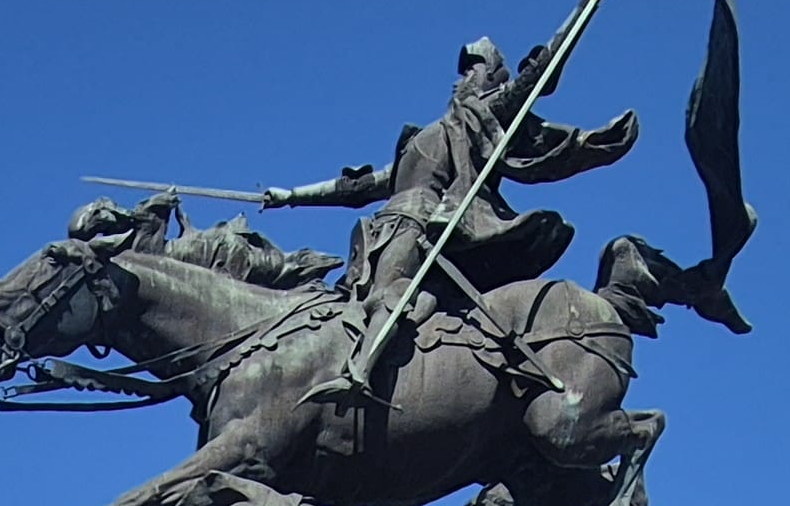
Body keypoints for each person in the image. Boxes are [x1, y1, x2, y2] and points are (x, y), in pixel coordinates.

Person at [263, 38, 640, 374]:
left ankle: (357, 373)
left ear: (490, 77)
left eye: (472, 69)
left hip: (418, 223)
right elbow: (362, 186)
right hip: (379, 228)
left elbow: (536, 80)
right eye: (461, 72)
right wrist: (291, 196)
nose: (460, 78)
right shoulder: (427, 135)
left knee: (388, 295)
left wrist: (583, 9)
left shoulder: (479, 118)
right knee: (346, 302)